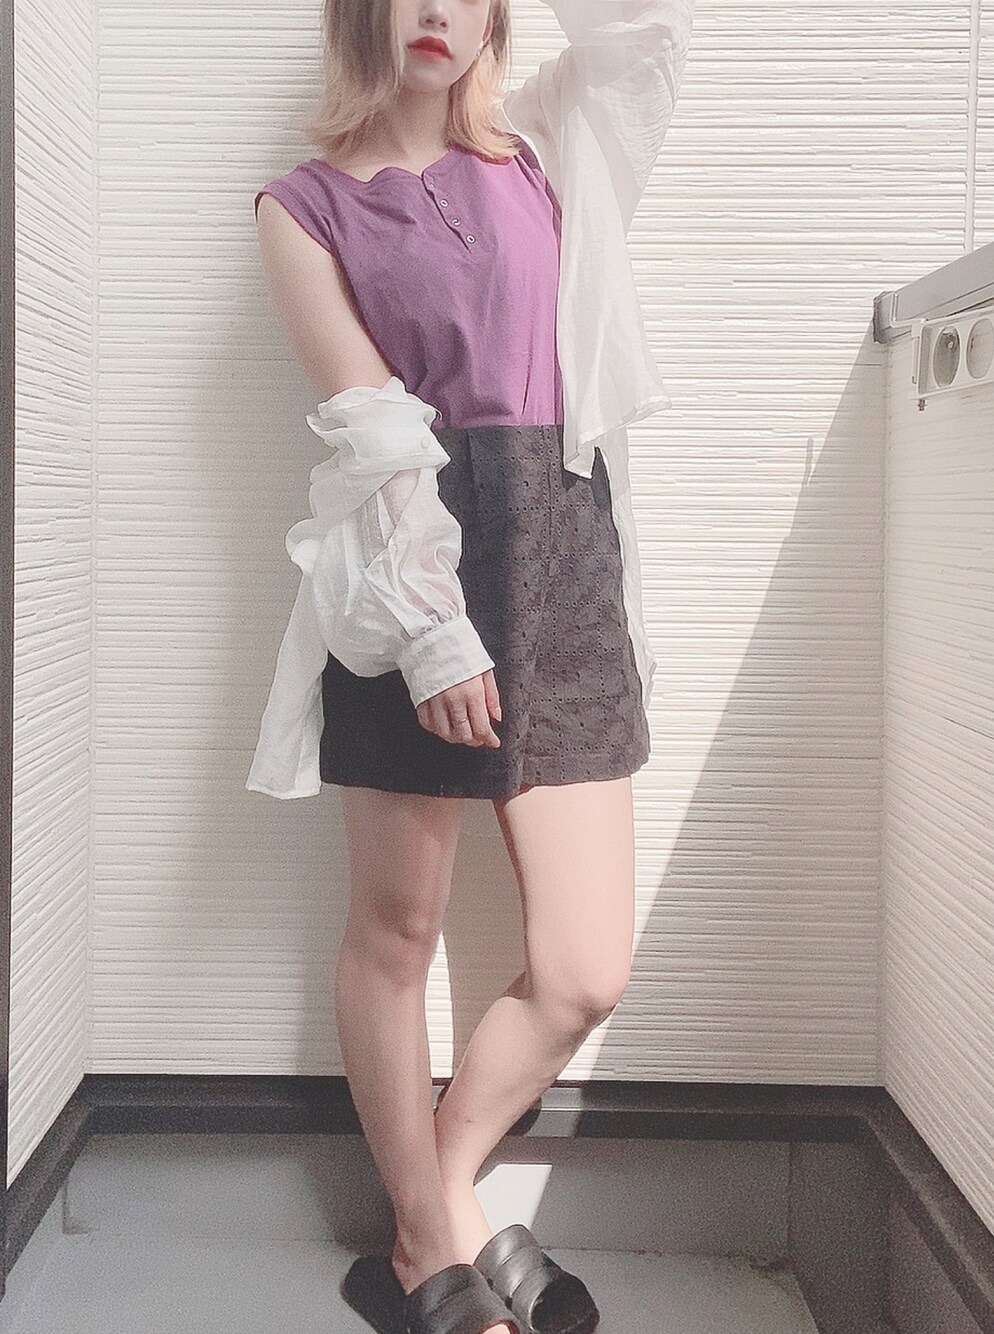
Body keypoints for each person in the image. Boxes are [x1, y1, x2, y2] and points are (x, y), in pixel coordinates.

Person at [249, 0, 695, 1327]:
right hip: (411, 569)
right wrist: (434, 630)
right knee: (396, 929)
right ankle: (436, 1238)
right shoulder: (303, 206)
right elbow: (373, 433)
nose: (437, 8)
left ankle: (430, 1211)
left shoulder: (551, 145)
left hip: (562, 550)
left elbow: (648, 34)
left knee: (584, 964)